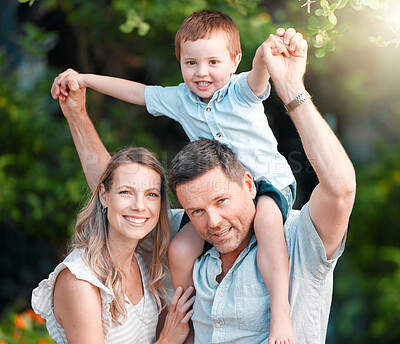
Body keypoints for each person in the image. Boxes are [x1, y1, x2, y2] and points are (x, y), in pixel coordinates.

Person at [51, 27, 356, 343]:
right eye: (196, 209)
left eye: (221, 201)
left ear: (248, 185)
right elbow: (116, 192)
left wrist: (290, 86)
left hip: (274, 192)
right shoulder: (185, 240)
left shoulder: (298, 237)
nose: (212, 222)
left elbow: (341, 187)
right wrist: (77, 111)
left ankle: (280, 310)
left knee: (265, 223)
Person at [31, 146, 195, 344]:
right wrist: (168, 341)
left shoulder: (143, 261)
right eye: (126, 192)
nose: (139, 206)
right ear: (104, 195)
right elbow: (167, 338)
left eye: (151, 194)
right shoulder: (81, 282)